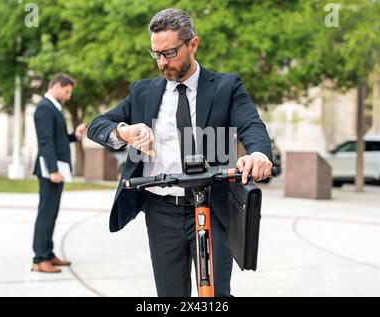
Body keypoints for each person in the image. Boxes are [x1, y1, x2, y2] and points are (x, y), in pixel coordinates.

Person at [87, 8, 273, 296]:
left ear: (193, 44)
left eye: (170, 53)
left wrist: (259, 154)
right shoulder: (142, 92)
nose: (162, 62)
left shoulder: (226, 86)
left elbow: (251, 126)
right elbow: (97, 125)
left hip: (213, 206)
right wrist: (124, 132)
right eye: (156, 54)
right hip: (161, 211)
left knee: (215, 296)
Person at [31, 73, 87, 273]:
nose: (68, 96)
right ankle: (39, 259)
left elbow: (58, 138)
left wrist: (74, 136)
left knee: (52, 214)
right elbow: (45, 141)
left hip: (55, 169)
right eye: (67, 91)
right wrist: (53, 170)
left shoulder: (53, 108)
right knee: (46, 214)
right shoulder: (45, 108)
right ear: (56, 86)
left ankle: (48, 253)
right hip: (50, 171)